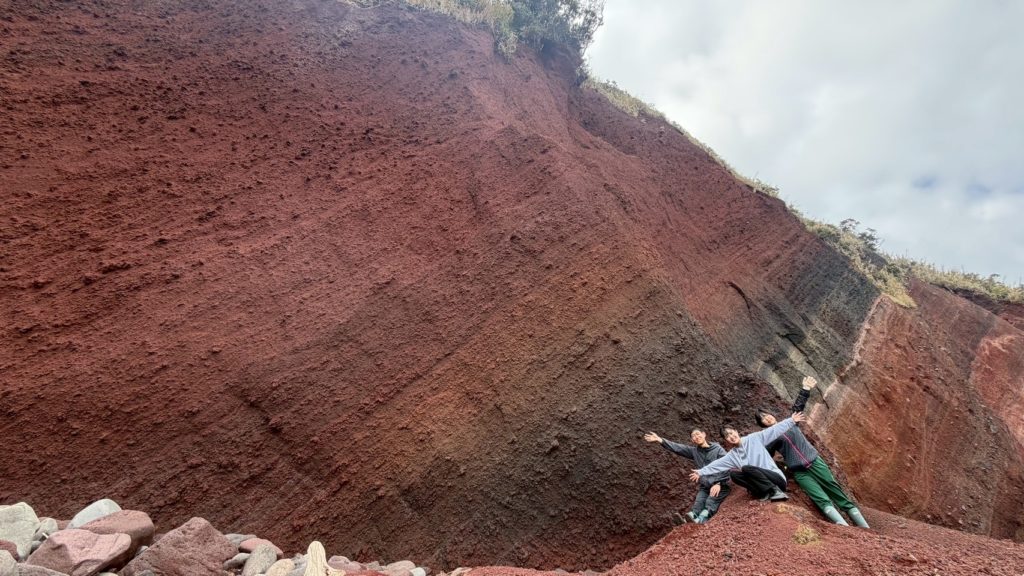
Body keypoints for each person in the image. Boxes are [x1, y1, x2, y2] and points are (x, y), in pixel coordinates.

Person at [755, 375, 870, 528]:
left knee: (836, 492)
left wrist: (805, 388)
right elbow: (765, 457)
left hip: (815, 463)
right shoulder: (768, 439)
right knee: (820, 498)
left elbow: (798, 407)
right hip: (800, 472)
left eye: (766, 414)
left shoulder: (790, 423)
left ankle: (865, 528)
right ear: (762, 424)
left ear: (772, 415)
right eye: (762, 418)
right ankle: (845, 529)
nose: (766, 418)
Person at [689, 412, 806, 502]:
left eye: (731, 433)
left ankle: (776, 491)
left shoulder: (754, 438)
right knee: (734, 474)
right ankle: (763, 493)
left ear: (736, 431)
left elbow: (773, 430)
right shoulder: (732, 455)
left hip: (776, 479)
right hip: (761, 484)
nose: (731, 436)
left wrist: (791, 421)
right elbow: (717, 464)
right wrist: (701, 472)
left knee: (746, 468)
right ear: (726, 441)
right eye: (727, 436)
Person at [644, 428, 732, 524]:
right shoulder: (694, 451)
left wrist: (718, 483)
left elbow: (727, 465)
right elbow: (678, 448)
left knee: (710, 501)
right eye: (693, 436)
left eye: (698, 434)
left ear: (704, 434)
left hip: (721, 485)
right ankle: (689, 520)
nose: (696, 437)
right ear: (692, 440)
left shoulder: (718, 449)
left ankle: (702, 518)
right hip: (705, 486)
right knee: (698, 502)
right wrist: (660, 440)